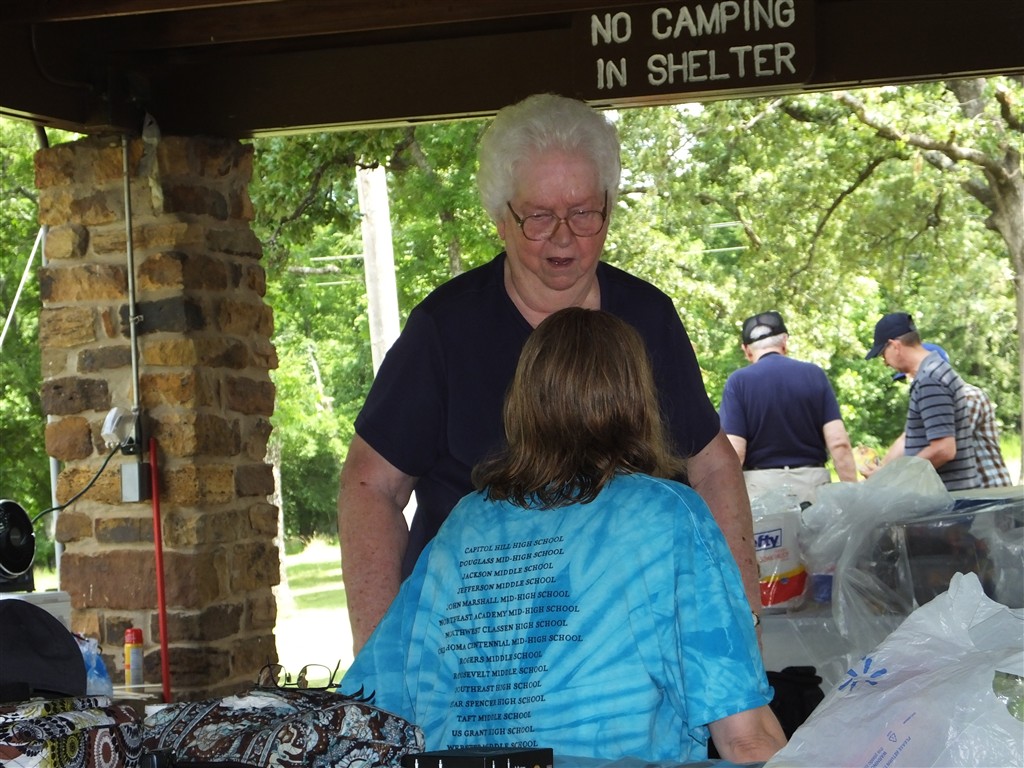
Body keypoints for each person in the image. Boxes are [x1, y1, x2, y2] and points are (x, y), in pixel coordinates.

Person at [337, 93, 758, 652]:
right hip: (481, 650)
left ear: (608, 208)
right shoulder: (445, 329)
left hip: (634, 641)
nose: (563, 236)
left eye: (583, 213)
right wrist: (379, 657)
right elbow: (369, 486)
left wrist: (741, 623)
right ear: (501, 219)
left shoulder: (648, 316)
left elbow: (713, 468)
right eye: (538, 216)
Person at [340, 308, 787, 764]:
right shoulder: (666, 514)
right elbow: (745, 738)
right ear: (637, 399)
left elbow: (369, 716)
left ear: (522, 402)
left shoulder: (463, 524)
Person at [719, 311, 857, 505]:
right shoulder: (814, 375)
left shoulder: (738, 382)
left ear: (746, 350)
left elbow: (736, 451)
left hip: (761, 491)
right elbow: (839, 443)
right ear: (784, 341)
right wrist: (852, 496)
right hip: (813, 488)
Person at [863, 312, 978, 490]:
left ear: (895, 346)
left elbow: (944, 449)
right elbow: (910, 436)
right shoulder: (936, 370)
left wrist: (894, 477)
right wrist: (884, 470)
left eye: (883, 354)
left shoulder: (930, 379)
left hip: (948, 497)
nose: (885, 363)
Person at [893, 343, 1012, 488]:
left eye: (913, 374)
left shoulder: (969, 396)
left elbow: (941, 443)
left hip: (988, 487)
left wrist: (894, 476)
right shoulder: (931, 399)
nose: (911, 380)